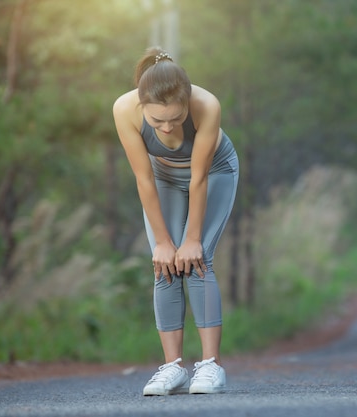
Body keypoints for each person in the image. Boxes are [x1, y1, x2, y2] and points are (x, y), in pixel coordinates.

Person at [113, 47, 239, 395]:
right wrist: (165, 243)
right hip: (163, 179)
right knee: (164, 263)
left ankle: (211, 367)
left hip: (214, 173)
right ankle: (173, 368)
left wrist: (191, 239)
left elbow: (199, 179)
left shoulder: (207, 105)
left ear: (187, 98)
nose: (167, 127)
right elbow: (143, 179)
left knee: (197, 259)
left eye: (175, 117)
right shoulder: (124, 109)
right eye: (157, 122)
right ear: (142, 106)